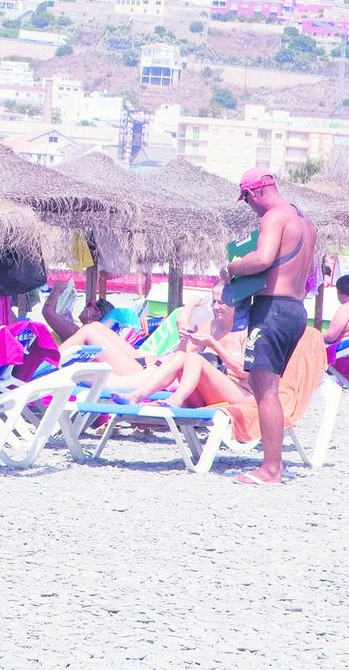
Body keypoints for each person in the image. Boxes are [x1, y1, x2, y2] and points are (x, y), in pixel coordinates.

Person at [221, 168, 317, 485]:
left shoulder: (274, 216)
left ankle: (271, 469)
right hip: (295, 310)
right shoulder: (306, 224)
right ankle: (274, 464)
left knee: (264, 388)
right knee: (268, 386)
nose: (249, 206)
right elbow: (309, 272)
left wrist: (231, 267)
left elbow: (263, 259)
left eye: (247, 199)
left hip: (273, 308)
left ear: (255, 192)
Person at [113, 297, 250, 408]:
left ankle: (177, 398)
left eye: (221, 302)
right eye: (214, 301)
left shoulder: (246, 332)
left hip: (240, 391)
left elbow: (245, 372)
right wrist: (184, 337)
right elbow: (185, 353)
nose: (215, 307)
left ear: (236, 303)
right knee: (181, 356)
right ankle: (137, 396)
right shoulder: (213, 325)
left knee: (196, 359)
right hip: (206, 391)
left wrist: (214, 345)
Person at [41, 288, 114, 344]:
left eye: (89, 306)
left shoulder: (74, 332)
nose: (85, 308)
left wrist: (56, 289)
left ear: (96, 313)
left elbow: (47, 311)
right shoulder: (89, 337)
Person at [324, 274, 349, 345]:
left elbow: (330, 336)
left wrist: (315, 336)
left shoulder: (346, 308)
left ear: (339, 292)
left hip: (343, 351)